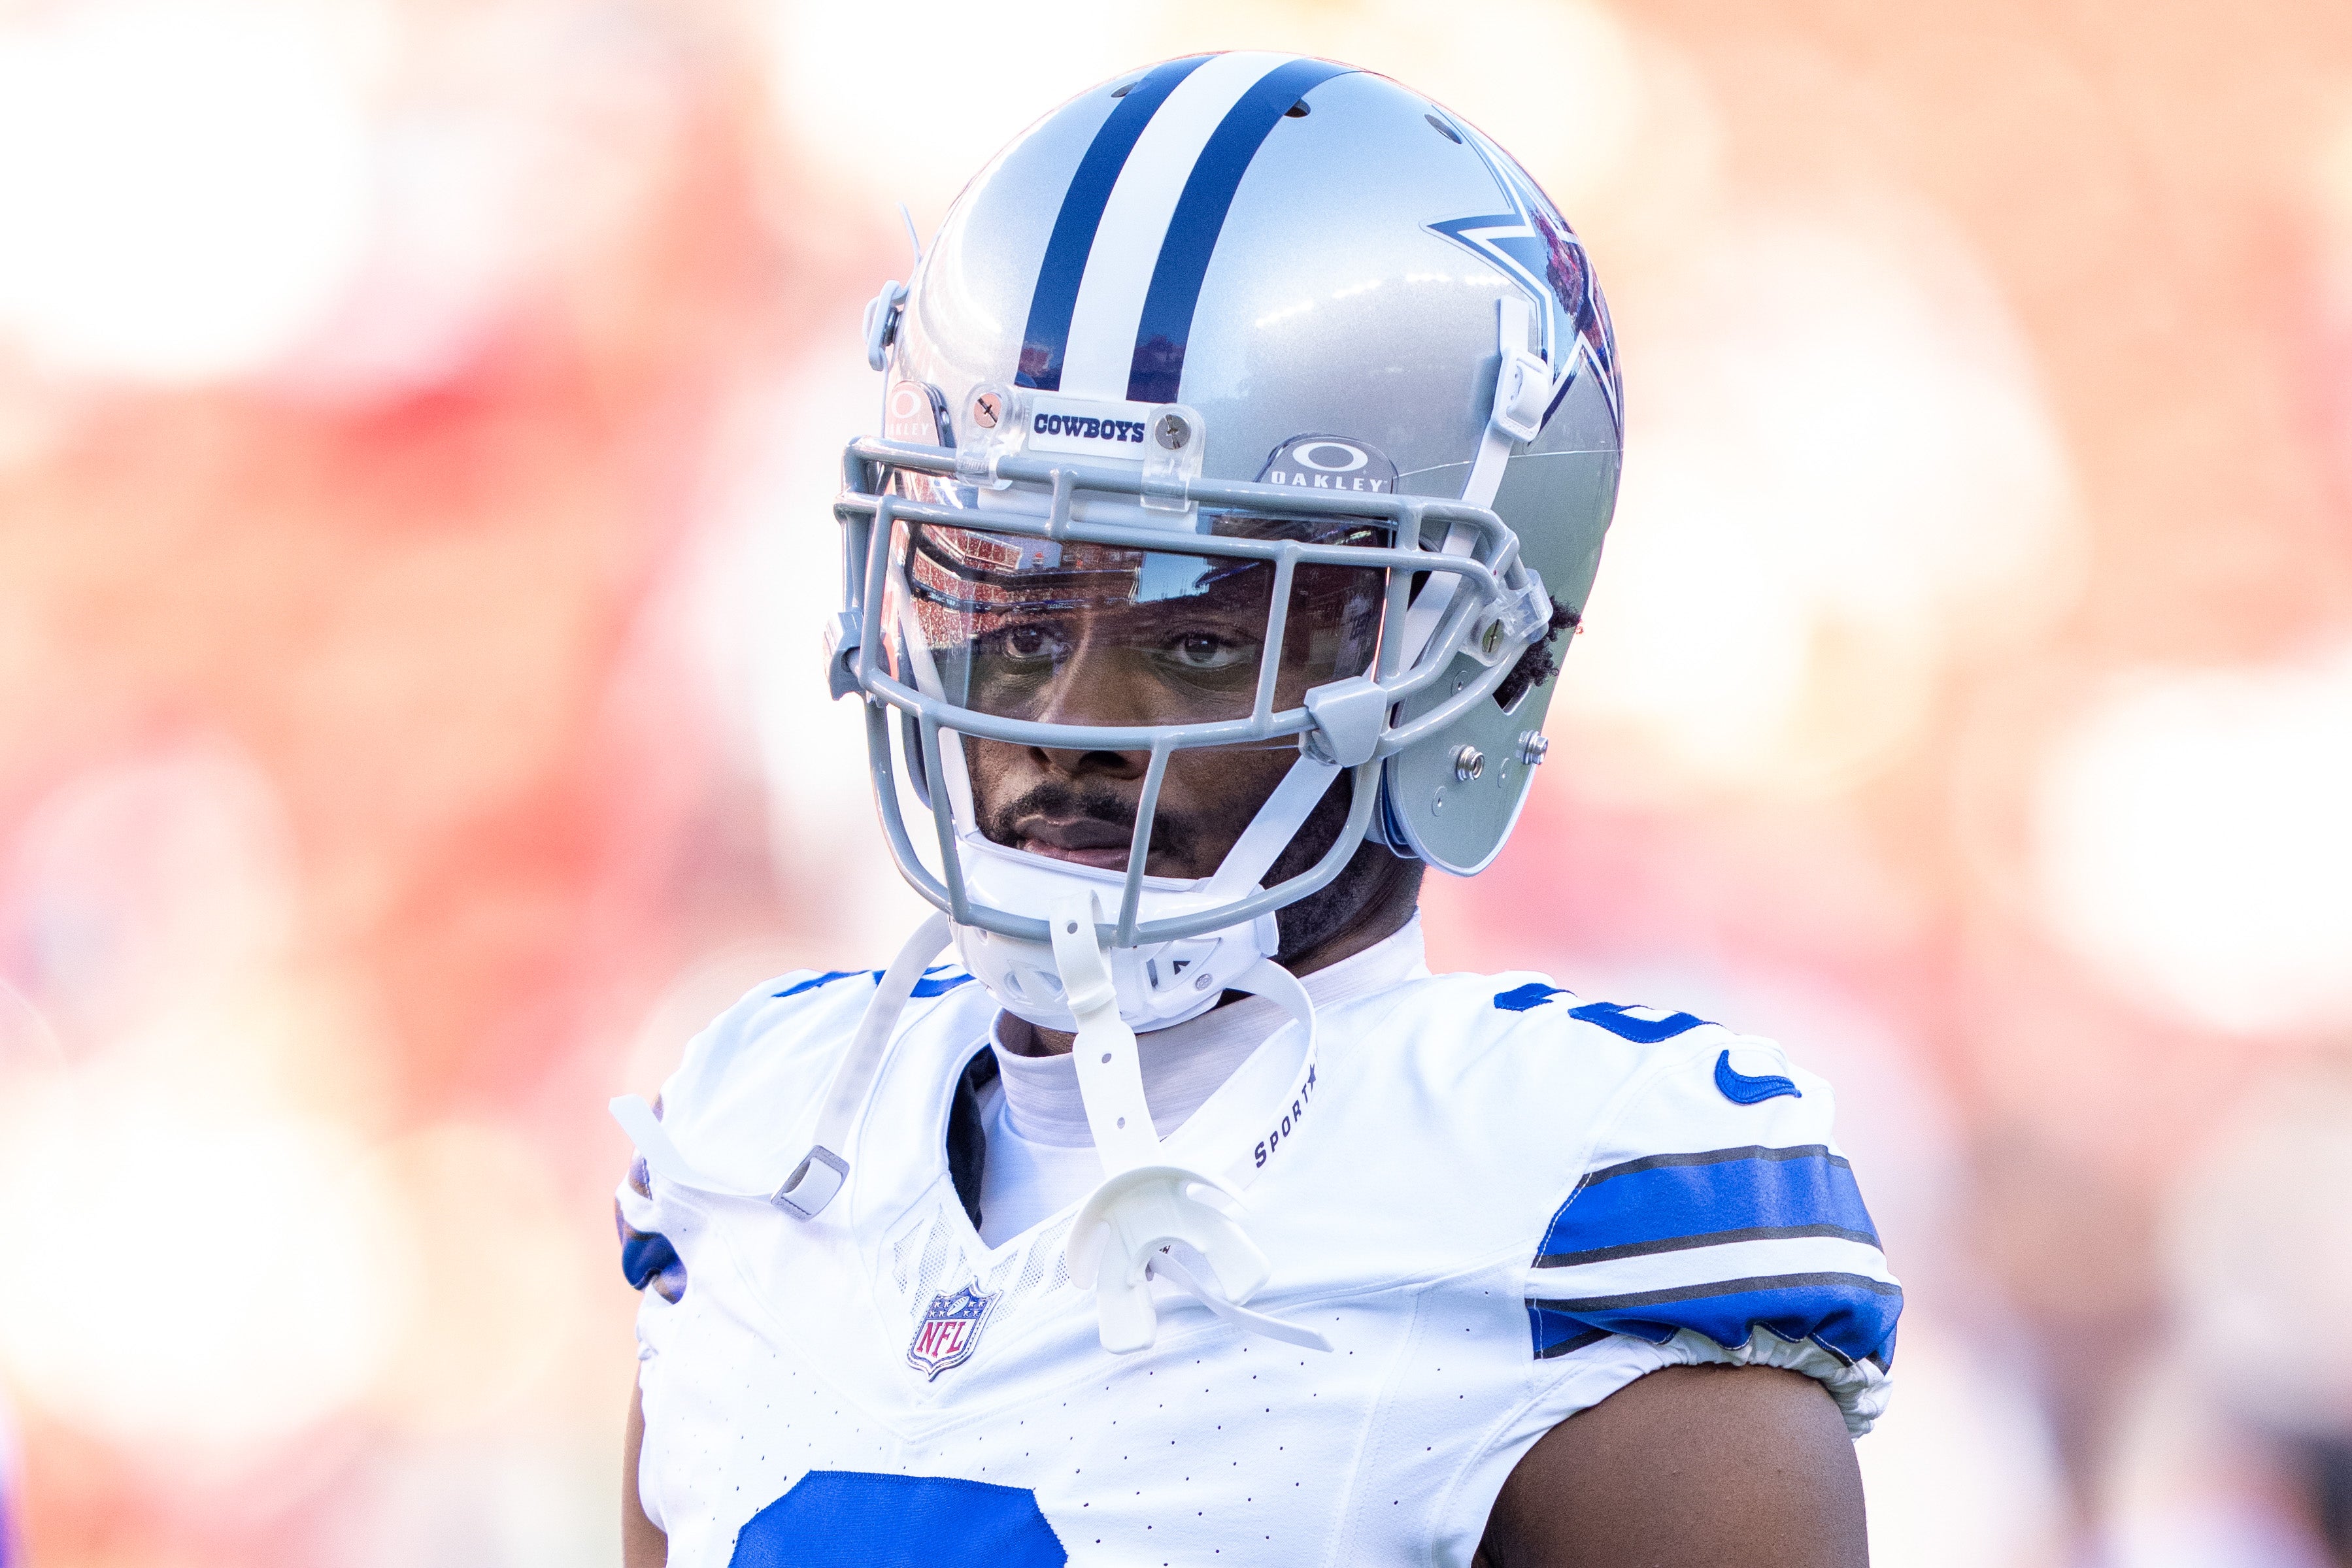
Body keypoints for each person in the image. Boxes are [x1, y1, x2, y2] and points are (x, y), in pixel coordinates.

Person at [613, 51, 1900, 1567]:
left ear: (1465, 662)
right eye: (1022, 623)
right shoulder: (760, 1146)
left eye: (1196, 639)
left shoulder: (1555, 1209)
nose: (1068, 727)